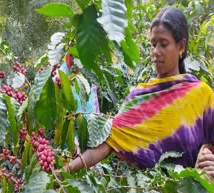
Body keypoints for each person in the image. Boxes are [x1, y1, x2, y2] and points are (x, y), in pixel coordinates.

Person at [62, 6, 214, 177]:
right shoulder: (140, 97)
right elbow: (103, 146)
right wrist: (61, 174)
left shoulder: (201, 96)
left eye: (163, 44)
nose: (156, 52)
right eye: (153, 44)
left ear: (181, 46)